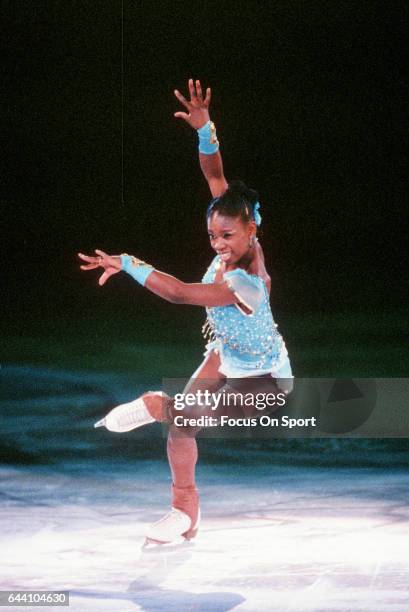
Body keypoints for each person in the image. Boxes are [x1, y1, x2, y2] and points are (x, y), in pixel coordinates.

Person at [78, 79, 293, 546]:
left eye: (227, 238)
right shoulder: (235, 220)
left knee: (177, 417)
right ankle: (184, 513)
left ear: (252, 230)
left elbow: (177, 294)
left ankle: (155, 405)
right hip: (227, 353)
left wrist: (128, 262)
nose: (218, 244)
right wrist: (205, 129)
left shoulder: (245, 283)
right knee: (180, 430)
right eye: (213, 236)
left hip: (264, 378)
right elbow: (216, 179)